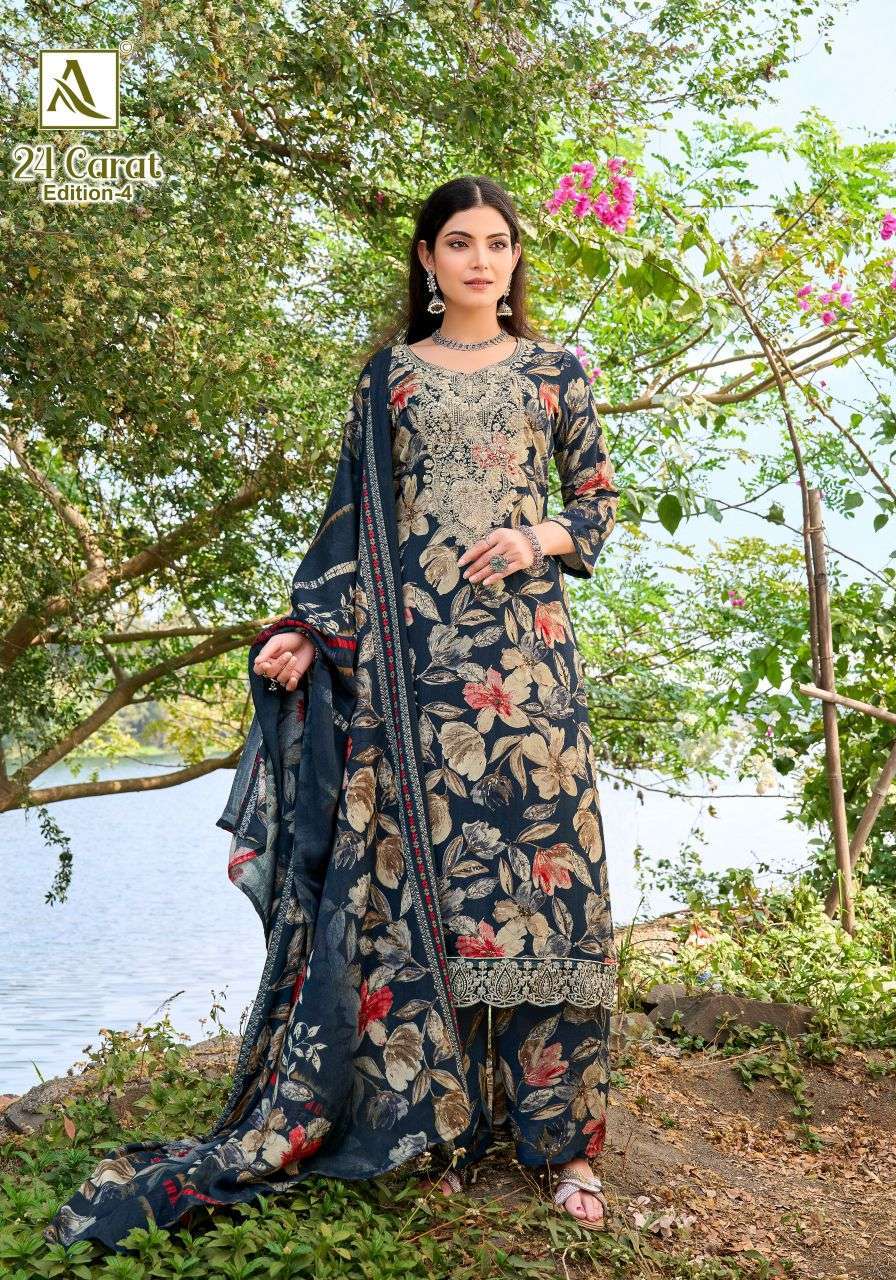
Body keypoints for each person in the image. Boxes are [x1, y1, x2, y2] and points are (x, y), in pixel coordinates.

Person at [45, 176, 619, 1253]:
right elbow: (350, 525)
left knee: (550, 886)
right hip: (412, 674)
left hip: (528, 663)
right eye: (460, 243)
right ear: (426, 258)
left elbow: (595, 504)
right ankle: (443, 1120)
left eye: (498, 243)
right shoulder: (386, 377)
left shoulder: (558, 370)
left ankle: (564, 1142)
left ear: (514, 258)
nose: (481, 261)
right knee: (432, 884)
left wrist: (535, 538)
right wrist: (310, 630)